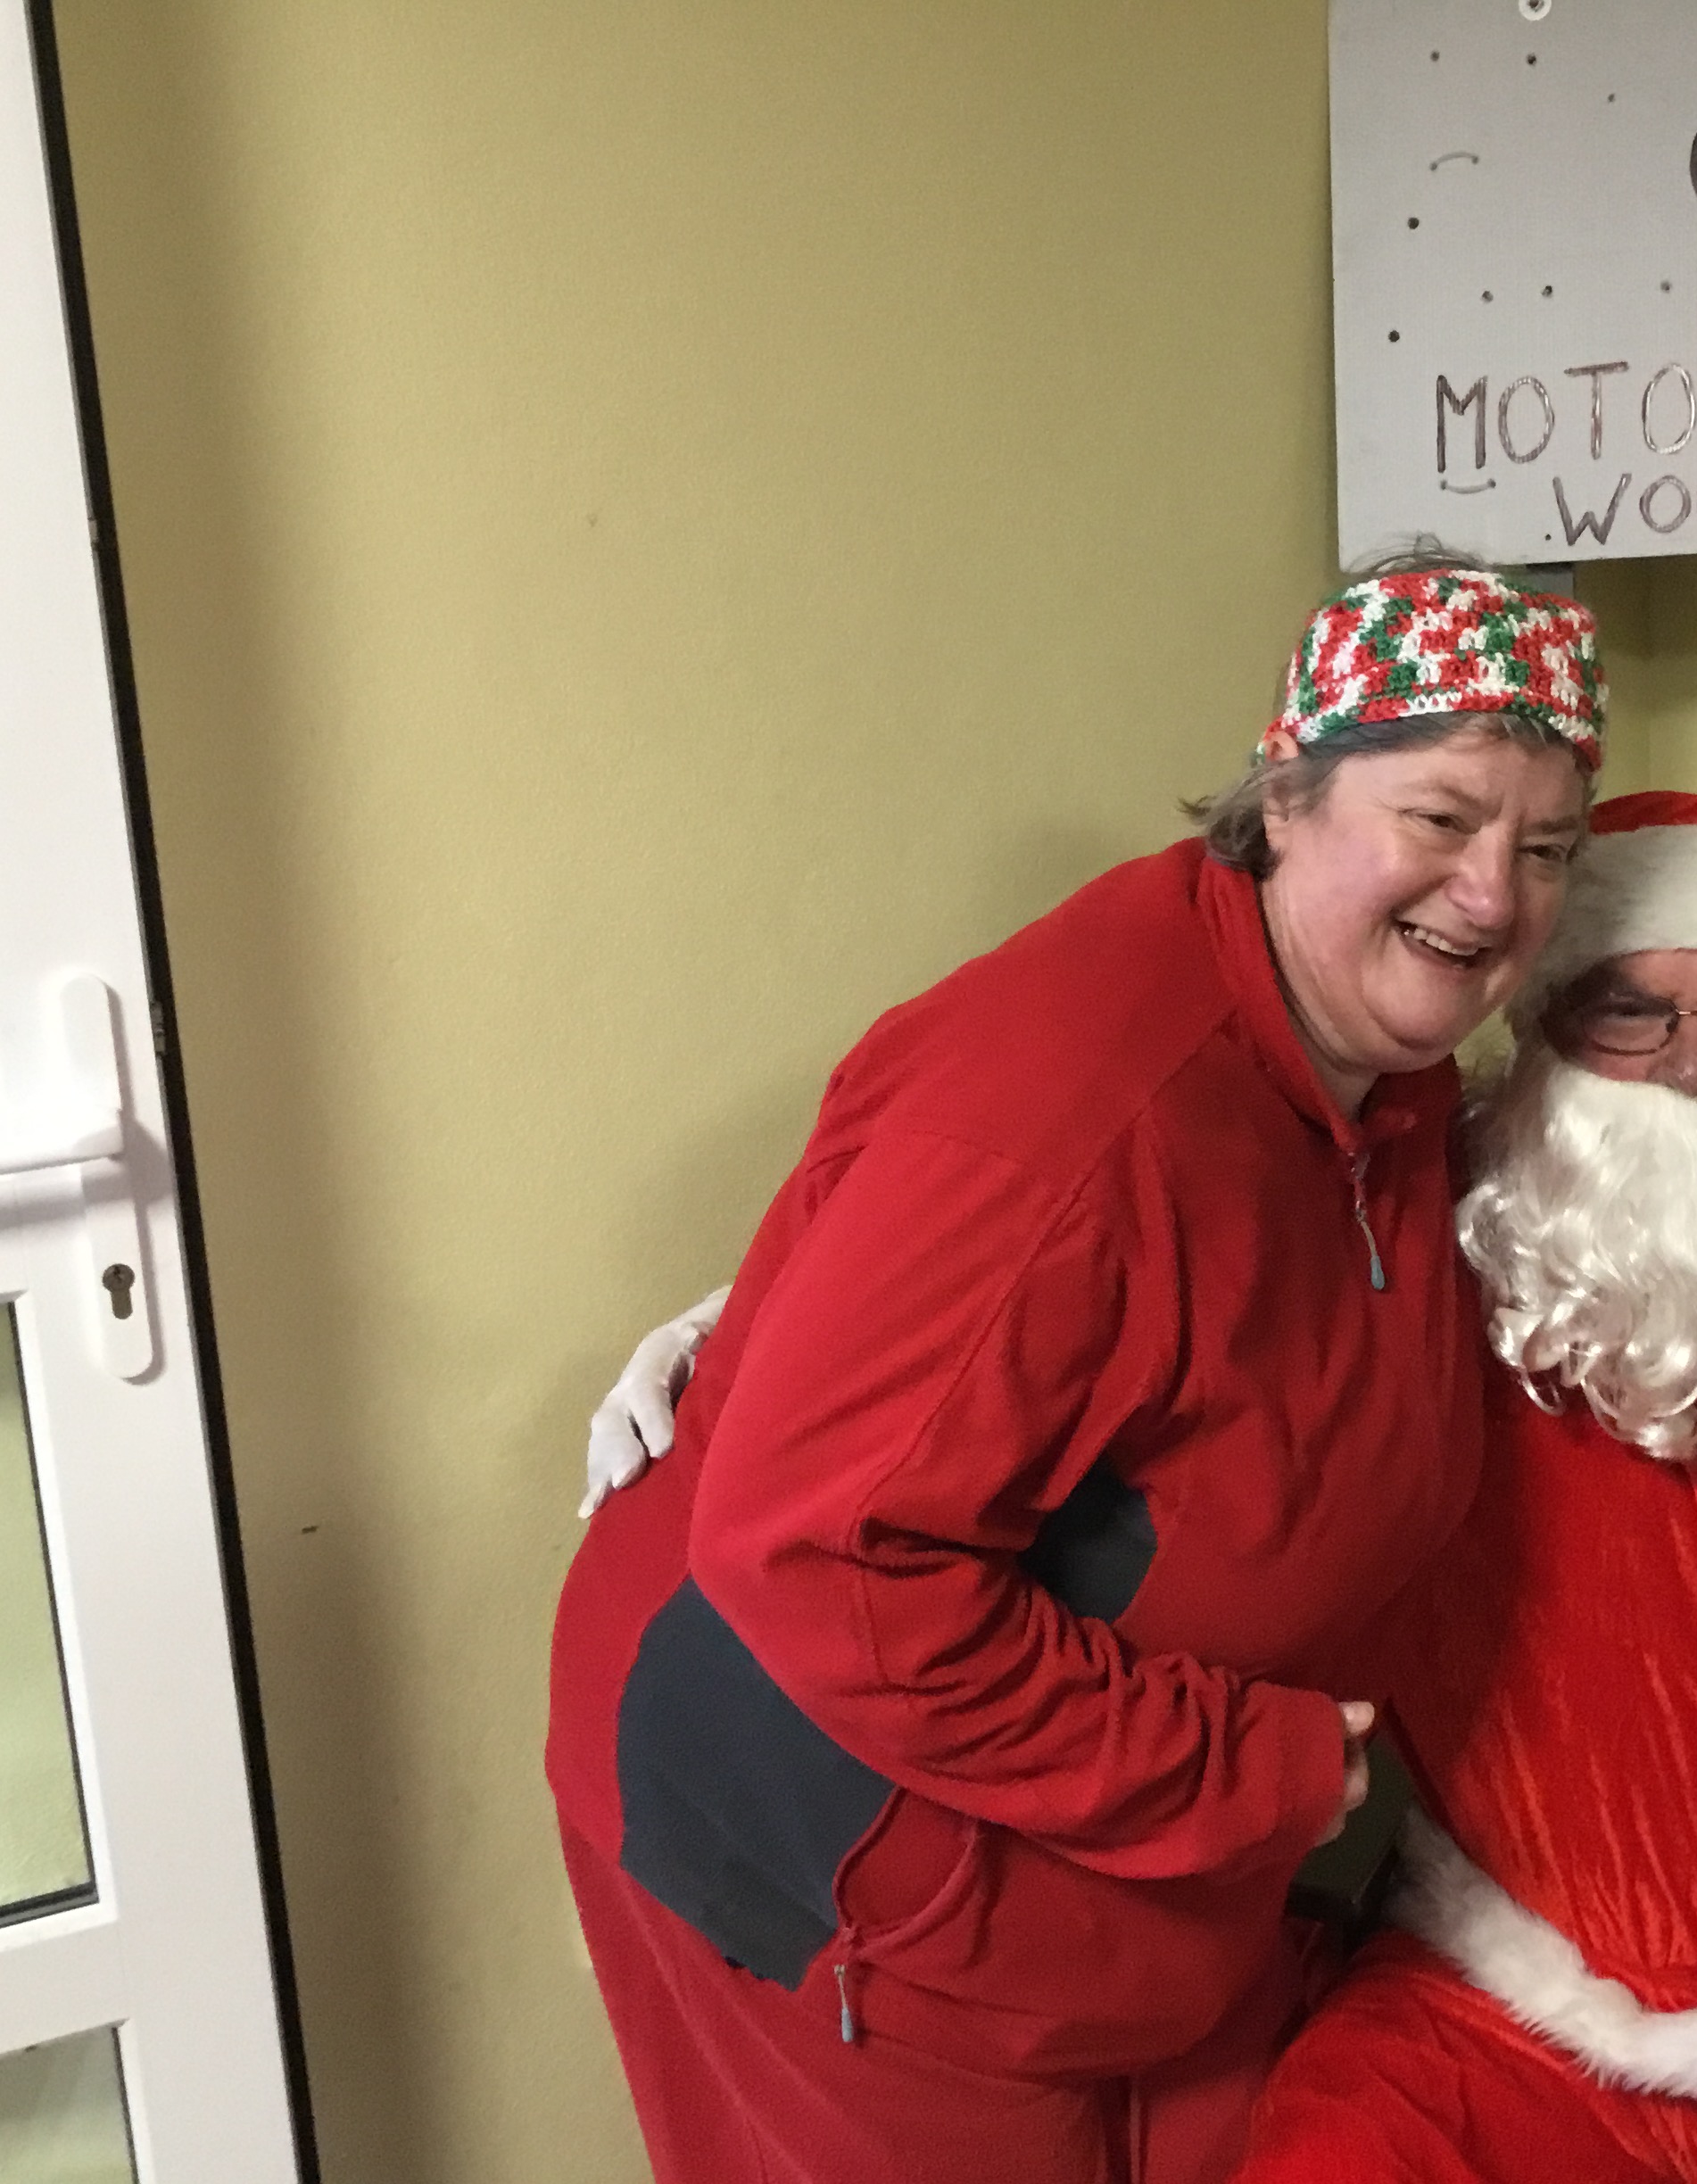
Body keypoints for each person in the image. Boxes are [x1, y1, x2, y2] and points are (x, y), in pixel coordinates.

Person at [592, 792, 1697, 2184]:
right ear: (1540, 1027)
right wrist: (766, 1330)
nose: (1694, 1065)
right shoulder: (1440, 1224)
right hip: (1514, 1999)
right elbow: (1095, 1272)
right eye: (1631, 1009)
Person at [545, 563, 1601, 2184]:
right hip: (844, 1862)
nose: (1492, 895)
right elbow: (823, 1555)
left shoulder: (1372, 1065)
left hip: (1135, 1878)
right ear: (1288, 795)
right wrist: (1250, 1768)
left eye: (1546, 849)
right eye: (1442, 818)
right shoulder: (1081, 1102)